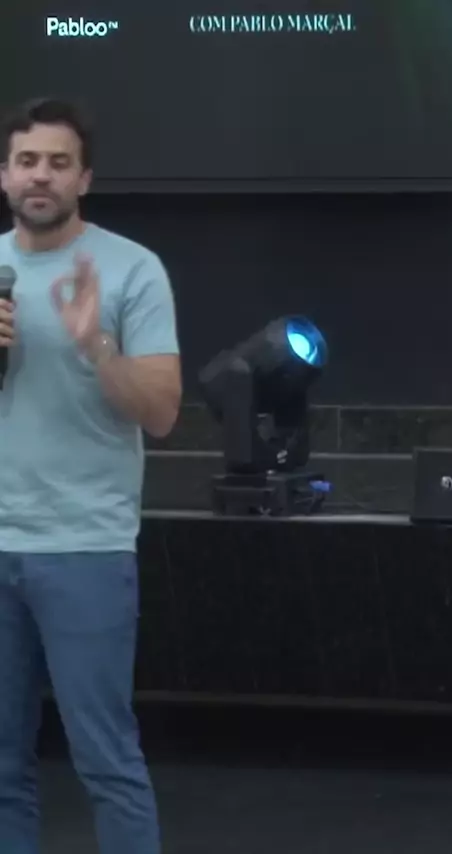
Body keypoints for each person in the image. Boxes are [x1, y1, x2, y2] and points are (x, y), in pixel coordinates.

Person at [0, 96, 181, 854]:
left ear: (84, 179)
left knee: (106, 760)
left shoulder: (132, 269)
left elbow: (162, 413)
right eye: (27, 161)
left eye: (58, 162)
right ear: (5, 175)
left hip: (85, 549)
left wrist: (97, 346)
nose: (40, 176)